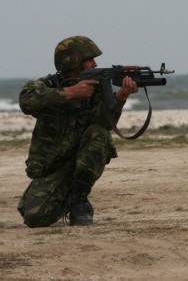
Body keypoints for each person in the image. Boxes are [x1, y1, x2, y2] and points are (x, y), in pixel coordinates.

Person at [17, 36, 139, 227]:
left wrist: (121, 96)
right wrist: (70, 93)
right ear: (73, 62)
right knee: (34, 217)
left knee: (98, 133)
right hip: (53, 167)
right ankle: (63, 196)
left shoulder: (97, 87)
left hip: (81, 160)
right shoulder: (49, 84)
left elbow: (104, 122)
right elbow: (26, 100)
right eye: (89, 60)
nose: (95, 64)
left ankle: (79, 199)